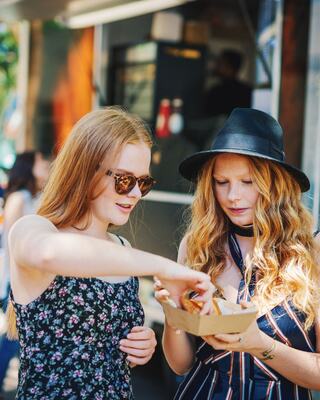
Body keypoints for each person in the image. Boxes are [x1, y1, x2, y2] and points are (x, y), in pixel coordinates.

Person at [6, 107, 212, 400]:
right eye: (125, 180)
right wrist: (165, 268)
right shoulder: (34, 228)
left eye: (143, 182)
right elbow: (48, 254)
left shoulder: (122, 249)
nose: (136, 194)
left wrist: (141, 344)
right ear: (85, 169)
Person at [156, 108, 320, 399]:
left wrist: (259, 344)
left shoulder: (310, 254)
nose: (233, 196)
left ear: (275, 184)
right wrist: (174, 312)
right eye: (222, 182)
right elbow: (180, 365)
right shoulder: (196, 246)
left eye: (248, 182)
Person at [0, 151, 51, 393]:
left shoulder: (34, 197)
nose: (47, 166)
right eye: (42, 162)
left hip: (31, 281)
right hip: (16, 281)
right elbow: (11, 244)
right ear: (28, 167)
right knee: (14, 342)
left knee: (24, 343)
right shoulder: (18, 199)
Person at [203, 49, 252, 117]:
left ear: (229, 67)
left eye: (220, 63)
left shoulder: (216, 92)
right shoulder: (248, 91)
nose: (216, 65)